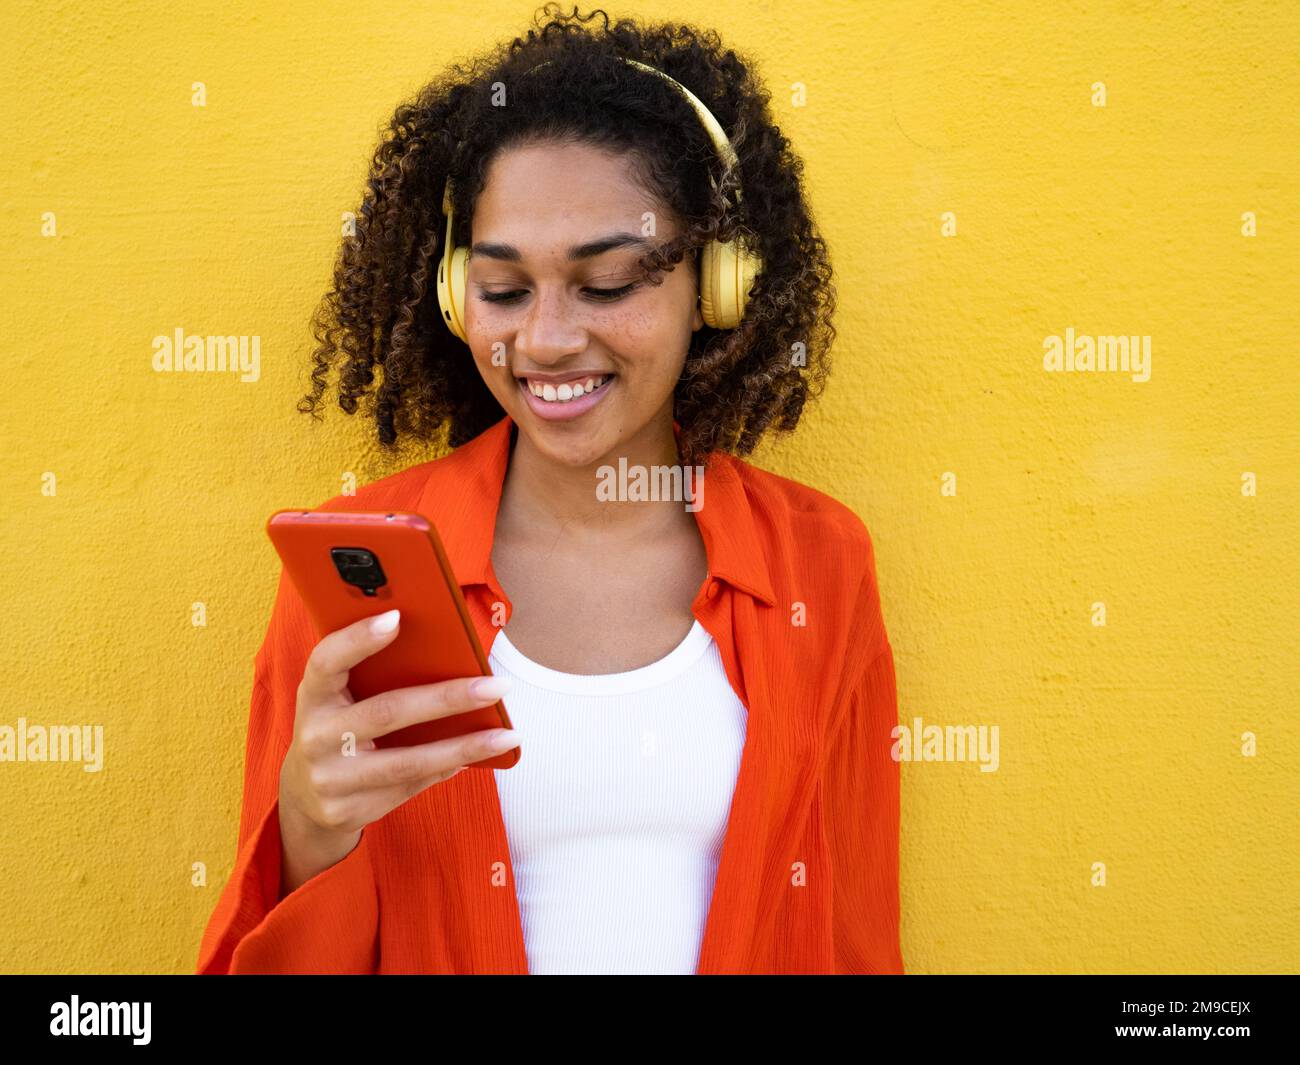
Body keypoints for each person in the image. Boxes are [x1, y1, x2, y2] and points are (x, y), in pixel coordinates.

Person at [197, 3, 902, 975]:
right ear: (453, 295)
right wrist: (311, 835)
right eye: (503, 288)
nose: (547, 339)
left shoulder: (819, 562)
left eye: (607, 282)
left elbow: (852, 936)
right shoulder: (350, 564)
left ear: (717, 284)